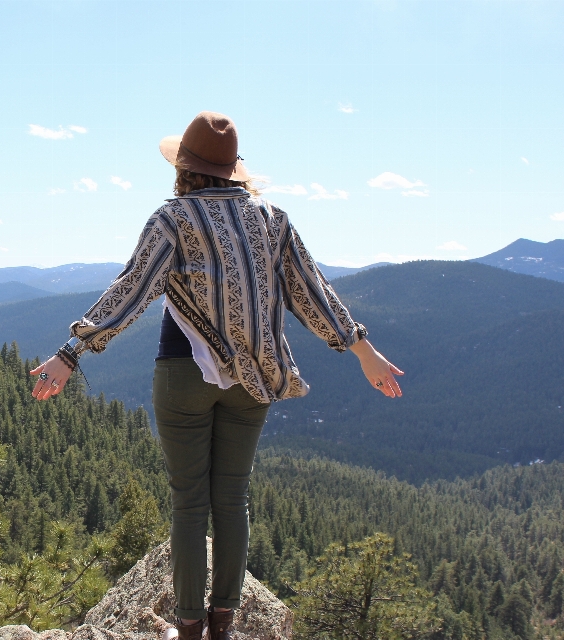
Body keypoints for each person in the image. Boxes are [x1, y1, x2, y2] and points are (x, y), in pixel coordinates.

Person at [29, 111, 403, 640]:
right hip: (254, 378)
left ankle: (187, 627)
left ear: (184, 167)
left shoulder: (172, 219)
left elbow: (131, 291)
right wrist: (364, 350)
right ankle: (223, 622)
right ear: (233, 170)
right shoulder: (273, 219)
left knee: (189, 502)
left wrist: (70, 353)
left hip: (183, 372)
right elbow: (312, 294)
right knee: (232, 498)